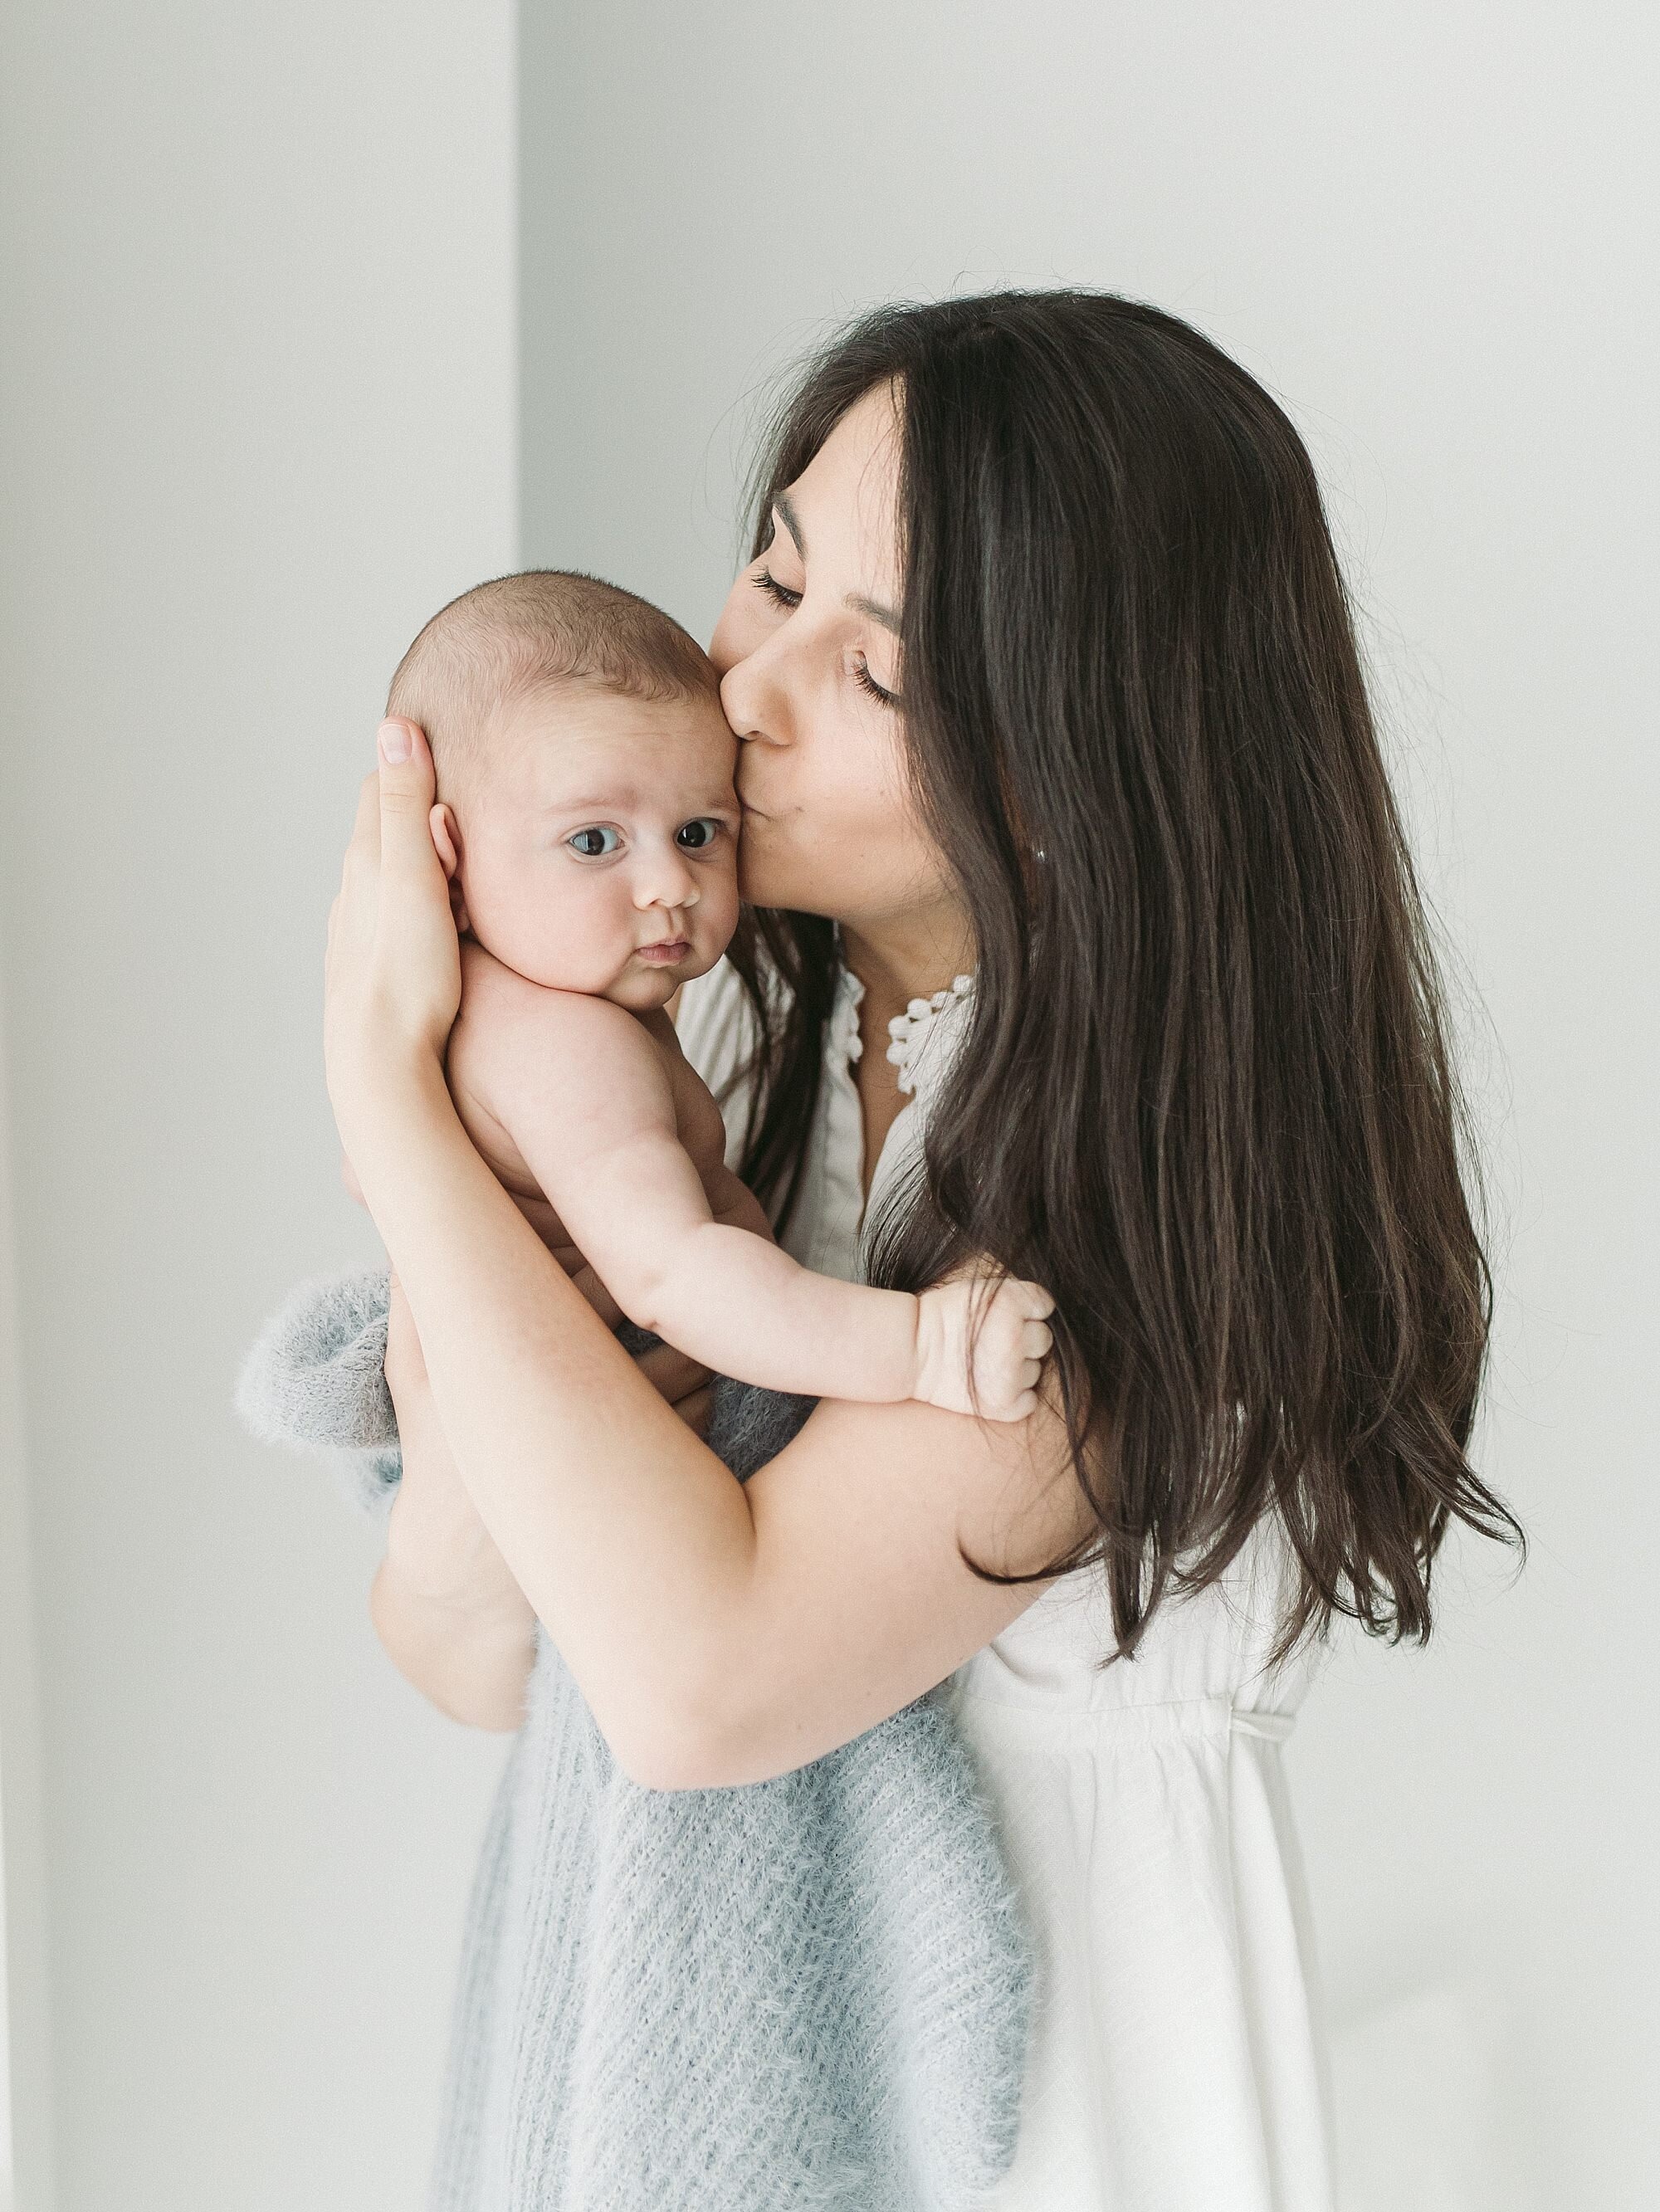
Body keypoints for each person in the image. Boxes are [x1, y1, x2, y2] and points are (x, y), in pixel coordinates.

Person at [325, 289, 1521, 2210]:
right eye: (768, 576)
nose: (744, 688)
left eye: (868, 673)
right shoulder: (739, 1091)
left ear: (1074, 767)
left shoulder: (1117, 1224)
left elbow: (688, 1680)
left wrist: (388, 1092)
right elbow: (480, 1646)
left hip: (1052, 2111)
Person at [354, 565, 1054, 1420]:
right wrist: (920, 1347)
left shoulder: (598, 998)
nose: (667, 883)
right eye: (593, 839)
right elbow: (667, 1272)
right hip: (587, 1431)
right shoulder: (561, 1044)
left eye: (695, 832)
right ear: (448, 863)